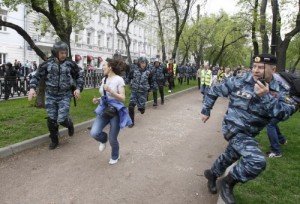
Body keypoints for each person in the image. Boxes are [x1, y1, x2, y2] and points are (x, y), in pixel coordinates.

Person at [201, 54, 297, 204]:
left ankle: (212, 174)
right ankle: (227, 183)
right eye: (254, 66)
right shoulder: (240, 80)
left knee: (231, 155)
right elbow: (213, 91)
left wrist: (266, 96)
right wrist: (206, 110)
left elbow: (283, 114)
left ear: (273, 69)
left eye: (260, 67)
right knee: (256, 161)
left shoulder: (280, 90)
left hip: (251, 132)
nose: (256, 70)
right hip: (233, 128)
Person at [28, 41, 84, 150]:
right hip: (51, 95)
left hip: (64, 95)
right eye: (61, 53)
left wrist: (78, 88)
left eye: (65, 53)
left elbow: (79, 76)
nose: (64, 55)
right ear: (55, 52)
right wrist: (32, 88)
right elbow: (36, 76)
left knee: (62, 118)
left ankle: (69, 124)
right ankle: (54, 140)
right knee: (52, 119)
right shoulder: (47, 64)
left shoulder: (70, 64)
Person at [90, 58, 132, 165]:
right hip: (105, 109)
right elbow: (105, 96)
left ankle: (115, 156)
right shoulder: (104, 79)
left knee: (113, 138)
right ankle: (103, 140)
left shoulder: (119, 80)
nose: (102, 67)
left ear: (110, 67)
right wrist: (98, 99)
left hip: (115, 110)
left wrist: (111, 91)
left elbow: (122, 98)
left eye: (104, 65)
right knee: (94, 132)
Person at [127, 57, 152, 128]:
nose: (143, 64)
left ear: (146, 64)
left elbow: (151, 82)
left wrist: (149, 90)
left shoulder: (148, 72)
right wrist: (129, 83)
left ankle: (142, 108)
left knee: (141, 109)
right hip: (134, 91)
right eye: (141, 63)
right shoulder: (134, 71)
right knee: (131, 106)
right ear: (139, 63)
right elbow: (129, 77)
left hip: (143, 92)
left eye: (144, 63)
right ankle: (131, 122)